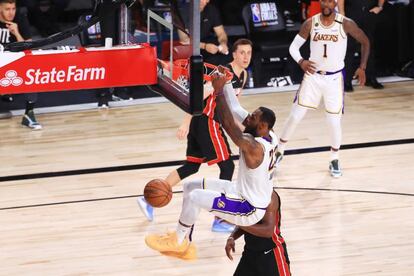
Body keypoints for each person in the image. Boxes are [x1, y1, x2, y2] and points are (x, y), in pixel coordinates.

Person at [145, 70, 278, 260]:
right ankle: (184, 240)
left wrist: (218, 92)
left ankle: (178, 242)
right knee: (190, 186)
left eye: (253, 118)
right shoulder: (269, 135)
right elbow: (236, 109)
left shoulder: (255, 147)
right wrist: (226, 82)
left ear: (262, 126)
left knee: (195, 196)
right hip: (241, 192)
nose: (248, 118)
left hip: (247, 207)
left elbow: (228, 122)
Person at [276, 0, 370, 177]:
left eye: (330, 0)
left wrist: (362, 67)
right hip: (313, 77)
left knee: (333, 122)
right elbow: (293, 47)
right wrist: (301, 61)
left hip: (334, 78)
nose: (326, 3)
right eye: (323, 0)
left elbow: (365, 42)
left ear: (335, 2)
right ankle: (280, 150)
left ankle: (334, 158)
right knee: (295, 115)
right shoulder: (311, 22)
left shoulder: (346, 23)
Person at [225, 191, 291, 276]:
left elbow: (268, 231)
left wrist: (234, 221)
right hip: (250, 253)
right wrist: (232, 237)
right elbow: (245, 221)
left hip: (271, 254)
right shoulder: (247, 194)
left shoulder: (270, 197)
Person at [0, 0, 41, 130]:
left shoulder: (20, 19)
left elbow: (29, 49)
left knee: (31, 69)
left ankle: (29, 115)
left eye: (13, 8)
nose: (11, 12)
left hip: (15, 61)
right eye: (7, 9)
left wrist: (16, 33)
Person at [337, 0, 385, 92]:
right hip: (351, 13)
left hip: (369, 13)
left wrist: (380, 7)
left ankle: (370, 78)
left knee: (369, 46)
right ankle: (346, 81)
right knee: (349, 47)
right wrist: (342, 16)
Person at [179, 0, 230, 65]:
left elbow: (221, 33)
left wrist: (223, 43)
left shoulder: (211, 9)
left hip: (206, 42)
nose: (203, 2)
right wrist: (205, 46)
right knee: (206, 60)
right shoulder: (184, 11)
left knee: (229, 53)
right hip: (189, 46)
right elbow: (184, 40)